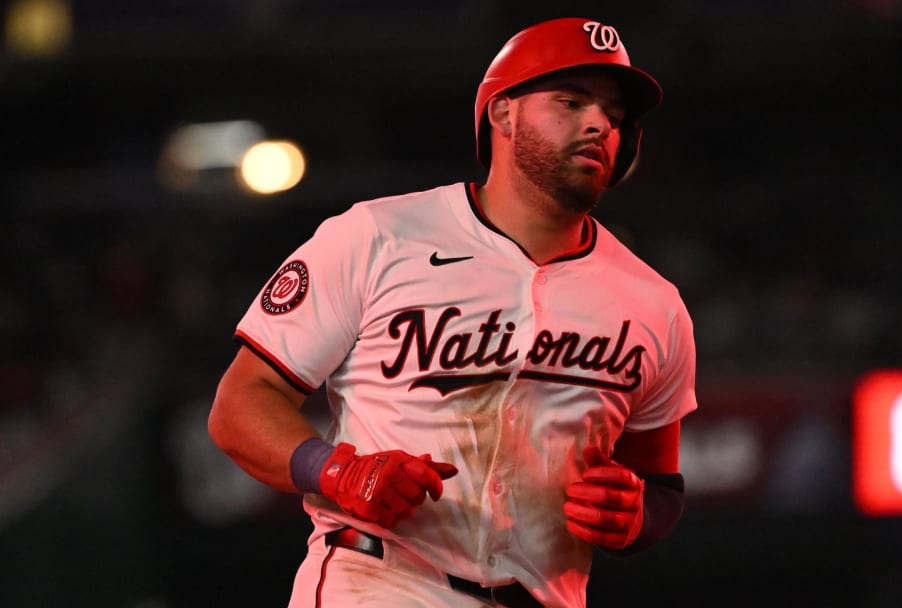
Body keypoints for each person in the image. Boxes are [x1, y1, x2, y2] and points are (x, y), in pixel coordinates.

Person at [208, 16, 698, 608]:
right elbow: (239, 405)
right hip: (378, 580)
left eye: (614, 116)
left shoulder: (653, 303)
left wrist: (637, 516)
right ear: (503, 113)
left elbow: (660, 487)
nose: (598, 123)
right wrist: (336, 470)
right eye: (570, 101)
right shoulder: (377, 236)